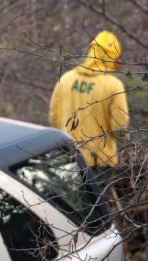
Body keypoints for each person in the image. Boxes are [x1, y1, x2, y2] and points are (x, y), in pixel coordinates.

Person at [49, 31, 130, 179]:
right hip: (100, 161)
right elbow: (119, 127)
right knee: (98, 202)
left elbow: (54, 118)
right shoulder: (113, 85)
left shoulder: (66, 79)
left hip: (69, 158)